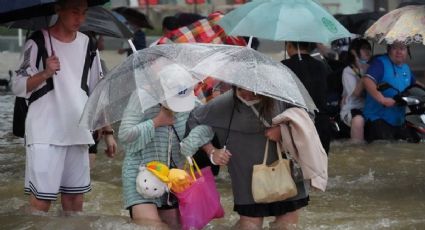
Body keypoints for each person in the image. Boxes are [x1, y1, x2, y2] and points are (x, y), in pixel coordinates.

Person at [11, 0, 117, 213]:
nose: (80, 18)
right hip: (45, 132)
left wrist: (107, 131)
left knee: (75, 204)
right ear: (58, 9)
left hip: (78, 130)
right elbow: (18, 85)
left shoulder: (88, 43)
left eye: (84, 13)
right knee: (41, 204)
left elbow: (98, 89)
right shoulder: (37, 41)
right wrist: (45, 73)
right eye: (74, 12)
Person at [180, 87, 310, 229]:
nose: (247, 96)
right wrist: (211, 151)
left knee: (287, 224)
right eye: (241, 90)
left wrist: (283, 131)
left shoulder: (282, 96)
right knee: (250, 225)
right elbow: (194, 120)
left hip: (285, 171)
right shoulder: (225, 103)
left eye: (254, 92)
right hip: (245, 175)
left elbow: (308, 118)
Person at [118, 64, 198, 228]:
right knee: (153, 226)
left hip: (172, 176)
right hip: (141, 174)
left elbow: (207, 126)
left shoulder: (189, 98)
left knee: (177, 227)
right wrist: (156, 122)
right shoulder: (141, 97)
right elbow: (124, 135)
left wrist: (193, 142)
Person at [362, 42, 421, 142]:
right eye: (395, 48)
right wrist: (382, 99)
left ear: (407, 51)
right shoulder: (379, 63)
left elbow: (415, 85)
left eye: (402, 48)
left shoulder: (406, 68)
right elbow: (367, 80)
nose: (399, 52)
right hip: (377, 118)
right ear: (389, 49)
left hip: (399, 120)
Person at [281, 41, 332, 153]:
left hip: (295, 124)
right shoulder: (322, 66)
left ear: (289, 45)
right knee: (320, 168)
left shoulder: (283, 67)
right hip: (321, 125)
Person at [340, 38, 372, 142]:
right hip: (354, 108)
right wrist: (364, 76)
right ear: (354, 52)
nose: (367, 51)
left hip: (372, 107)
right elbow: (356, 93)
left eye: (368, 48)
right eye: (363, 49)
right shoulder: (348, 71)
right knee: (358, 121)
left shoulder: (372, 67)